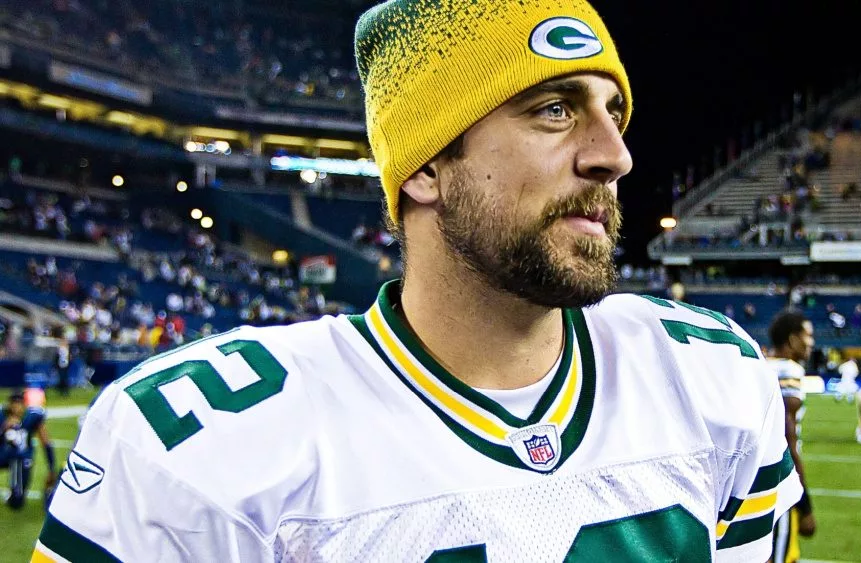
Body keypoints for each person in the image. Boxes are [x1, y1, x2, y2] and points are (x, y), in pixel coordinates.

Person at [36, 2, 800, 560]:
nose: (614, 155)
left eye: (614, 114)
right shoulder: (196, 443)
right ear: (427, 166)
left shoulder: (711, 378)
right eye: (555, 109)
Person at [767, 311, 817, 563]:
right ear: (792, 339)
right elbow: (786, 440)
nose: (811, 342)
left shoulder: (761, 363)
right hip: (777, 480)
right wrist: (804, 502)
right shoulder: (790, 369)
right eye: (807, 335)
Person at [0, 389, 57, 509]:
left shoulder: (33, 417)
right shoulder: (2, 416)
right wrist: (3, 429)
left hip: (21, 459)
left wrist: (51, 468)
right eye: (14, 403)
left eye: (19, 403)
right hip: (2, 454)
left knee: (16, 503)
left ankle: (15, 494)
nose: (17, 407)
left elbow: (46, 443)